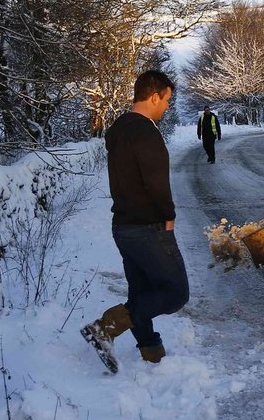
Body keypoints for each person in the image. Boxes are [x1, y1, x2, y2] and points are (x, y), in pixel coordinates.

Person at [80, 70, 189, 372]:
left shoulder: (119, 129)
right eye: (166, 100)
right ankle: (104, 327)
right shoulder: (146, 132)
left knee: (141, 293)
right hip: (148, 228)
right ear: (154, 96)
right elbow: (155, 183)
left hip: (124, 228)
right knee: (176, 293)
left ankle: (152, 353)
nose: (167, 106)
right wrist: (168, 215)